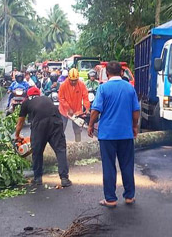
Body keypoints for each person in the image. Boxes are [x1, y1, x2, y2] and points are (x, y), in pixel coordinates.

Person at [87, 61, 140, 208]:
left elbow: (96, 110)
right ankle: (129, 196)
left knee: (109, 166)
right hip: (125, 134)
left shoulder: (103, 88)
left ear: (107, 73)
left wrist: (91, 125)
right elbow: (136, 111)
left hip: (107, 135)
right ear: (122, 73)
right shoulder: (130, 89)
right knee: (127, 165)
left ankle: (110, 199)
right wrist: (134, 126)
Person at [14, 86, 71, 187]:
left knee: (37, 151)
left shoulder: (26, 102)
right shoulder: (46, 98)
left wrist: (17, 135)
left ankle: (37, 178)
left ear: (28, 95)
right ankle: (64, 178)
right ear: (38, 94)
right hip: (56, 122)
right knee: (60, 150)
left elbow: (20, 122)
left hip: (39, 125)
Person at [57, 68, 90, 142]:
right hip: (64, 111)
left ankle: (78, 145)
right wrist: (68, 108)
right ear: (68, 78)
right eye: (71, 80)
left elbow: (85, 97)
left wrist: (87, 108)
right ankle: (59, 146)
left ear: (78, 79)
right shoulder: (63, 85)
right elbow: (61, 98)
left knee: (77, 130)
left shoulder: (81, 85)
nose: (73, 82)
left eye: (75, 80)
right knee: (61, 129)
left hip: (77, 111)